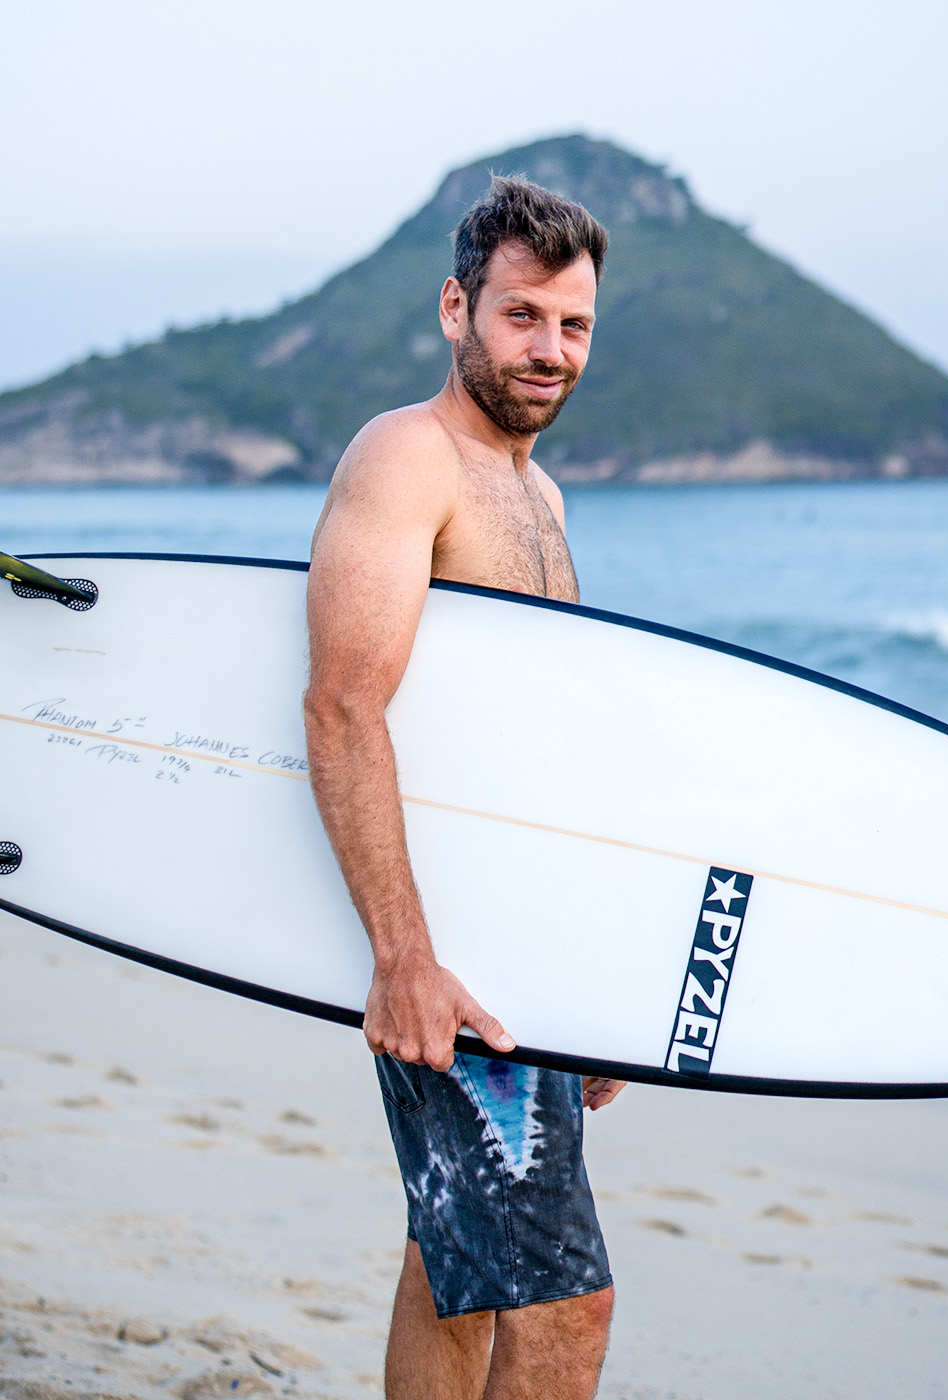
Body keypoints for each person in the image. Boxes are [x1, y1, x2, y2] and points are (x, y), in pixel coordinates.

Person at [304, 175, 627, 1400]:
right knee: (563, 1304)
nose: (551, 349)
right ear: (456, 308)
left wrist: (597, 983)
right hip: (442, 948)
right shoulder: (406, 458)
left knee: (457, 1261)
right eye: (522, 316)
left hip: (516, 943)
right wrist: (403, 956)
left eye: (575, 324)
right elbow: (342, 703)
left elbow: (544, 751)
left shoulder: (540, 495)